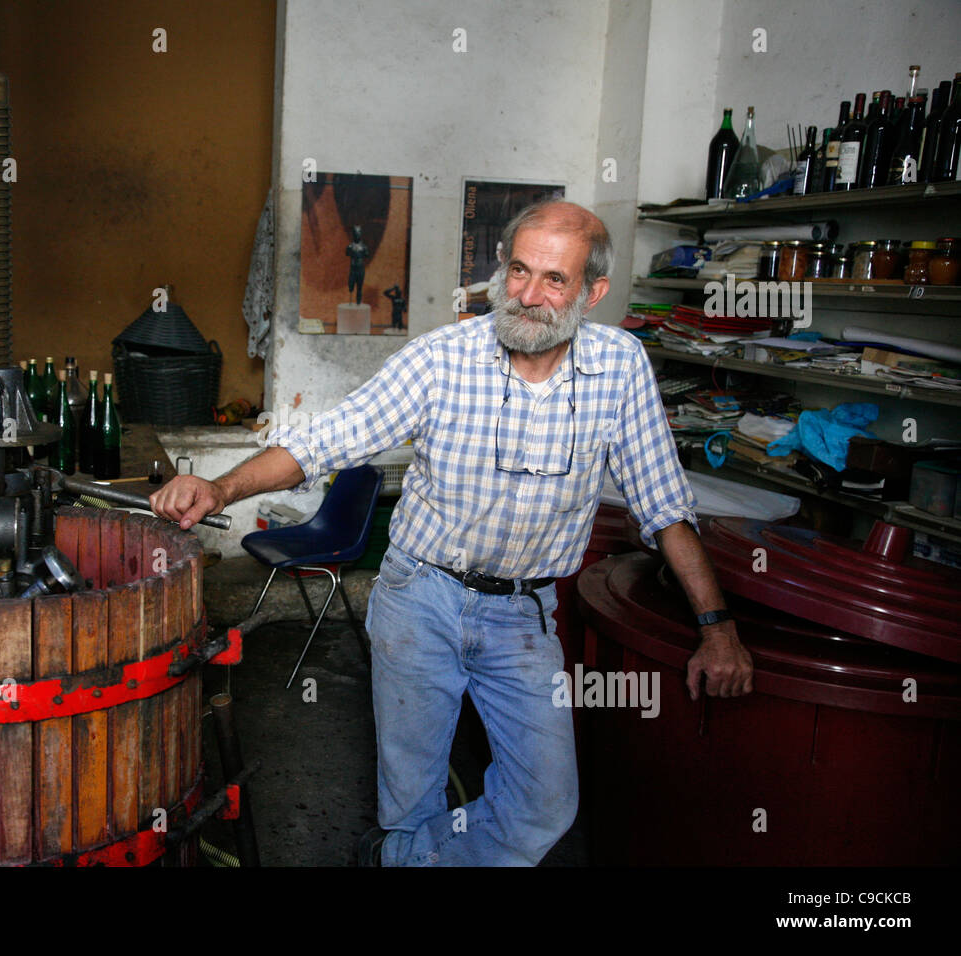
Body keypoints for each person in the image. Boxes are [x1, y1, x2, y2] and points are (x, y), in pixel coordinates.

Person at [148, 200, 753, 866]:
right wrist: (222, 488)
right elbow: (326, 439)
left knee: (544, 806)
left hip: (525, 614)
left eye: (555, 279)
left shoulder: (621, 368)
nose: (527, 295)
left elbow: (664, 506)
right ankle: (405, 847)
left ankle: (398, 859)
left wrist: (717, 629)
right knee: (412, 799)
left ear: (593, 292)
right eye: (519, 270)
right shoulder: (443, 359)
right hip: (421, 598)